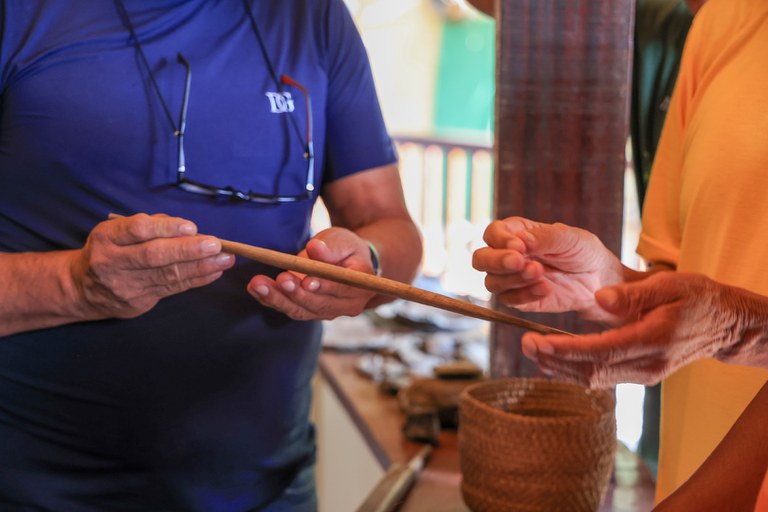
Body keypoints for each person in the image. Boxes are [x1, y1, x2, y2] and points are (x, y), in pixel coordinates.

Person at [0, 0, 422, 510]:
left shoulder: (313, 15)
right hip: (34, 492)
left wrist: (366, 266)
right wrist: (76, 285)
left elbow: (392, 230)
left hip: (269, 489)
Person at [473, 0, 768, 503]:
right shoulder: (724, 23)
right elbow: (682, 275)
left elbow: (722, 316)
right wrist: (613, 290)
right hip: (685, 470)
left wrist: (740, 327)